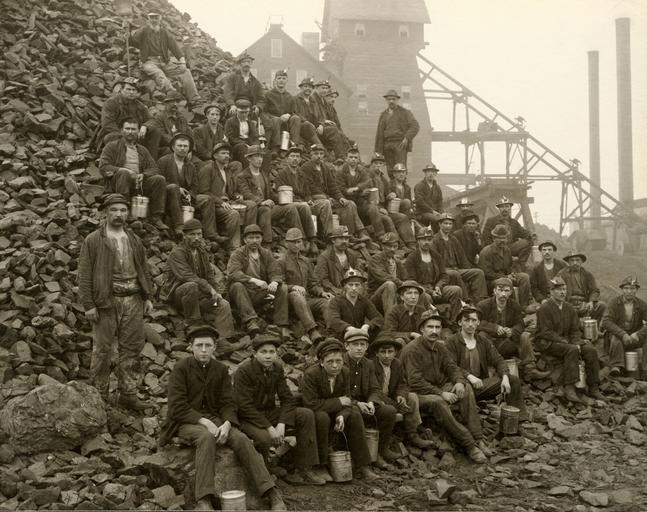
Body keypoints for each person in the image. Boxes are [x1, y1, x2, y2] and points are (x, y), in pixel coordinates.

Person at [158, 325, 285, 511]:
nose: (203, 350)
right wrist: (205, 422)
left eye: (208, 345)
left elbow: (228, 402)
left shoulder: (220, 369)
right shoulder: (181, 368)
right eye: (199, 345)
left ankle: (270, 492)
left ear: (214, 347)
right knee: (206, 437)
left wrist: (227, 423)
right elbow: (177, 406)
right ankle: (204, 499)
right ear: (191, 347)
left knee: (241, 438)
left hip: (216, 419)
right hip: (185, 422)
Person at [78, 194, 155, 410]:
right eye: (114, 210)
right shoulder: (94, 240)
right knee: (102, 350)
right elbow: (84, 275)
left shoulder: (133, 239)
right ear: (105, 212)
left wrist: (147, 296)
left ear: (127, 213)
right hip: (106, 301)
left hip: (133, 299)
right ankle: (99, 396)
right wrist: (89, 305)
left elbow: (143, 269)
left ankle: (128, 394)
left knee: (131, 348)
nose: (118, 214)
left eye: (122, 210)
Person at [233, 334, 327, 485]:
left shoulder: (276, 367)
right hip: (247, 418)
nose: (268, 356)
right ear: (254, 353)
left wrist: (282, 423)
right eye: (263, 352)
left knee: (306, 414)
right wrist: (270, 428)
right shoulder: (244, 371)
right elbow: (244, 407)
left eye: (272, 352)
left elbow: (287, 399)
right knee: (264, 438)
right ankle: (268, 470)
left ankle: (303, 470)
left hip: (269, 413)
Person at [399, 310, 488, 463]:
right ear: (422, 329)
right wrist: (441, 393)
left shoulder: (440, 347)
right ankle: (470, 445)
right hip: (415, 394)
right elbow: (414, 382)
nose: (434, 331)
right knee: (438, 402)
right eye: (430, 327)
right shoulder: (412, 350)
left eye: (437, 327)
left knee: (466, 388)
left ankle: (478, 438)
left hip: (436, 388)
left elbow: (452, 367)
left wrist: (459, 382)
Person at [300, 338, 379, 481]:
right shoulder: (311, 374)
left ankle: (362, 464)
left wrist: (342, 415)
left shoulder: (344, 372)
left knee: (354, 414)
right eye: (330, 361)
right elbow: (311, 403)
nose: (335, 365)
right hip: (316, 413)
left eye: (339, 361)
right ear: (322, 362)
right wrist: (338, 402)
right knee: (322, 417)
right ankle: (321, 465)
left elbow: (347, 401)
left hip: (335, 411)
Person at [446, 306, 527, 420]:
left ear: (478, 322)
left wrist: (505, 376)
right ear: (460, 323)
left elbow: (498, 360)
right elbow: (451, 366)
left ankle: (517, 419)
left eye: (474, 320)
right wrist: (469, 376)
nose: (470, 324)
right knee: (465, 388)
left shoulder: (483, 341)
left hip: (480, 385)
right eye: (466, 320)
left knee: (513, 380)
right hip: (461, 385)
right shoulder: (451, 341)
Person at [160, 219, 235, 338]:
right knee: (191, 285)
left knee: (223, 304)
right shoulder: (177, 253)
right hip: (178, 296)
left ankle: (224, 339)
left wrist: (216, 291)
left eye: (199, 234)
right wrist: (209, 288)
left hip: (199, 295)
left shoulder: (201, 251)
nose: (196, 238)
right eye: (192, 234)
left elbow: (209, 274)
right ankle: (194, 324)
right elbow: (186, 275)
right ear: (184, 235)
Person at [535, 277, 604, 403]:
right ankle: (570, 387)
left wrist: (576, 341)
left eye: (564, 289)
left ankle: (594, 387)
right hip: (548, 343)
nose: (562, 292)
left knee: (590, 350)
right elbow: (545, 332)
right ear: (551, 291)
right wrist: (565, 342)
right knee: (572, 350)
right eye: (558, 290)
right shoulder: (544, 308)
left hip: (566, 341)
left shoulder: (569, 308)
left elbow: (575, 329)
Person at [342, 328, 400, 468]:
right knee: (355, 414)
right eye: (355, 344)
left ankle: (380, 450)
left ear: (367, 346)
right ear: (346, 346)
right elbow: (339, 393)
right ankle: (363, 462)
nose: (359, 348)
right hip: (346, 405)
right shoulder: (340, 363)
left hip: (364, 405)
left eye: (362, 344)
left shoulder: (368, 364)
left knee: (389, 411)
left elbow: (375, 389)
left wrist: (372, 402)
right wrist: (357, 403)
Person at [98, 117, 168, 230]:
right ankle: (126, 211)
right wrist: (123, 170)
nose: (130, 132)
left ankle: (156, 217)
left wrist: (144, 175)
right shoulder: (112, 146)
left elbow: (154, 168)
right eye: (127, 129)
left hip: (138, 184)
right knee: (123, 173)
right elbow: (103, 167)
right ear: (121, 130)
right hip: (118, 183)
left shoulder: (142, 150)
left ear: (138, 131)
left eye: (133, 129)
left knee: (159, 179)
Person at [369, 334, 435, 449]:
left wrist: (401, 396)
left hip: (391, 396)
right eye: (383, 352)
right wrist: (396, 404)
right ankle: (388, 441)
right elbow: (375, 391)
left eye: (390, 352)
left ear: (395, 352)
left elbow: (402, 384)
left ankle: (412, 435)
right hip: (376, 399)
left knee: (412, 397)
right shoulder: (371, 366)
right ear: (376, 353)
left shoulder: (397, 364)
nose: (387, 355)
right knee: (389, 407)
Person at [476, 278, 549, 381]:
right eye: (500, 290)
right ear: (494, 291)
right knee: (482, 335)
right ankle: (488, 367)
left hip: (507, 342)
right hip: (491, 344)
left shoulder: (514, 305)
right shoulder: (483, 305)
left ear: (510, 292)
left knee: (524, 336)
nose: (503, 294)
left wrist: (512, 331)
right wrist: (495, 328)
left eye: (506, 291)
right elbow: (477, 322)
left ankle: (530, 369)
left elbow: (520, 324)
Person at [226, 224, 290, 337]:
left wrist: (274, 282)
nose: (254, 241)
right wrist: (254, 280)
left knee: (282, 288)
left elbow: (275, 271)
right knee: (237, 285)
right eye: (251, 238)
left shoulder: (266, 253)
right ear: (245, 240)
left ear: (261, 239)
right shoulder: (238, 254)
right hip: (243, 293)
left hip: (260, 293)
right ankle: (251, 321)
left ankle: (281, 324)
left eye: (257, 237)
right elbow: (233, 273)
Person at [236, 145, 306, 247]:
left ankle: (297, 238)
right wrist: (261, 201)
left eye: (261, 156)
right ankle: (267, 243)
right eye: (256, 156)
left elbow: (270, 193)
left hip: (268, 207)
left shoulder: (263, 174)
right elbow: (246, 194)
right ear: (249, 158)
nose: (260, 159)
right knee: (265, 209)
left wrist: (285, 199)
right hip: (256, 209)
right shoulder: (242, 176)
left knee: (290, 207)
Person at [129, 12, 201, 105]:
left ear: (160, 18)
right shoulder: (143, 30)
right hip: (149, 61)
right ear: (148, 19)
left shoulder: (164, 32)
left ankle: (194, 99)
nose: (154, 20)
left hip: (165, 62)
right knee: (158, 73)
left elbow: (175, 47)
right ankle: (171, 92)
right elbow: (133, 41)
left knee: (185, 71)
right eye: (152, 17)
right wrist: (128, 34)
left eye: (156, 17)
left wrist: (182, 62)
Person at [158, 133, 219, 238]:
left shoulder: (190, 165)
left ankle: (210, 233)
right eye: (179, 145)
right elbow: (159, 181)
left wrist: (190, 195)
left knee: (207, 199)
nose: (182, 148)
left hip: (186, 198)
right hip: (168, 196)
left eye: (185, 146)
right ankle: (179, 226)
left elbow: (195, 185)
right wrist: (178, 189)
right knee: (173, 187)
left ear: (189, 149)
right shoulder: (163, 161)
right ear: (173, 147)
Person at [300, 144, 366, 238]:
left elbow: (332, 186)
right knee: (326, 203)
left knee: (350, 204)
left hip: (326, 198)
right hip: (313, 199)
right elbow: (309, 187)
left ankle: (352, 234)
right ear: (311, 154)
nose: (319, 156)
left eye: (321, 154)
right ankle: (329, 236)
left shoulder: (325, 167)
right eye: (316, 154)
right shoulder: (306, 168)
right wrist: (327, 197)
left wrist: (340, 197)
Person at [276, 228, 326, 345]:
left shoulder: (306, 261)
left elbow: (313, 283)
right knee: (296, 295)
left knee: (325, 302)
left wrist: (321, 292)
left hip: (306, 300)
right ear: (286, 243)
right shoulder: (281, 261)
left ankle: (332, 330)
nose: (296, 245)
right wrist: (293, 287)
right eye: (293, 242)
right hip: (288, 302)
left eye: (299, 241)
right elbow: (279, 284)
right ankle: (312, 331)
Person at [404, 226, 463, 326]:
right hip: (422, 290)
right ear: (418, 241)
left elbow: (444, 275)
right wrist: (430, 291)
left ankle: (455, 322)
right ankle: (427, 323)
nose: (426, 242)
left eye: (429, 240)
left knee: (456, 290)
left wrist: (438, 287)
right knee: (425, 297)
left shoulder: (436, 256)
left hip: (437, 288)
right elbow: (412, 282)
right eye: (423, 240)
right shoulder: (412, 258)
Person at [275, 145, 328, 248]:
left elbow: (307, 192)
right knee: (304, 206)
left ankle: (324, 236)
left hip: (303, 202)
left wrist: (309, 200)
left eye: (297, 156)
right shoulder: (282, 174)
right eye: (292, 156)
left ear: (300, 159)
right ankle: (309, 239)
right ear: (287, 159)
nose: (295, 159)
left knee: (323, 204)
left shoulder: (302, 174)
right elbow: (281, 193)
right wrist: (299, 200)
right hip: (288, 202)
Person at [337, 148, 395, 240]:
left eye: (355, 157)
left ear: (358, 159)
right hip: (347, 202)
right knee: (352, 205)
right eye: (351, 157)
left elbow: (367, 182)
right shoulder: (341, 171)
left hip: (360, 202)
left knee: (373, 208)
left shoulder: (361, 170)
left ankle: (380, 235)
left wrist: (357, 188)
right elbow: (341, 189)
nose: (353, 159)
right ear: (346, 158)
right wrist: (356, 192)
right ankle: (355, 235)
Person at [195, 142, 243, 251]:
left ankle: (233, 245)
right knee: (233, 214)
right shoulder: (207, 169)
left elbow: (231, 192)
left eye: (228, 153)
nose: (227, 156)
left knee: (240, 210)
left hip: (224, 204)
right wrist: (220, 202)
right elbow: (203, 191)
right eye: (223, 153)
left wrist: (237, 196)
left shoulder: (227, 171)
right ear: (215, 156)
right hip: (211, 206)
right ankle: (233, 247)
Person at [431, 212, 488, 304]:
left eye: (450, 224)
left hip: (456, 269)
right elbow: (434, 262)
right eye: (445, 223)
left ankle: (480, 302)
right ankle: (466, 301)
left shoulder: (453, 239)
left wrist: (469, 270)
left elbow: (462, 258)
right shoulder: (435, 240)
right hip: (444, 272)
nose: (448, 226)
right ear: (440, 224)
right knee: (454, 273)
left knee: (478, 272)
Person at [98, 77, 161, 157]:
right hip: (117, 133)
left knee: (155, 132)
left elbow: (152, 120)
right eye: (128, 89)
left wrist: (145, 126)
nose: (131, 92)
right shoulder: (111, 103)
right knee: (111, 137)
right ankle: (119, 160)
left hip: (134, 134)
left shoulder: (139, 105)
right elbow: (108, 124)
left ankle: (150, 160)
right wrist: (126, 133)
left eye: (134, 90)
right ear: (121, 90)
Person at [264, 69, 321, 151]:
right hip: (273, 121)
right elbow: (264, 112)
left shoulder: (289, 96)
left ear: (286, 81)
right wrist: (277, 118)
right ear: (275, 80)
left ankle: (294, 145)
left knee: (296, 118)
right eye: (279, 78)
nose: (281, 80)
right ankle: (275, 148)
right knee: (276, 120)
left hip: (287, 122)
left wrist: (288, 115)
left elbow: (293, 112)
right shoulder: (268, 95)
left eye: (283, 78)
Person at [602, 276, 647, 377]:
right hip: (618, 337)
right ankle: (617, 367)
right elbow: (606, 321)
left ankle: (645, 370)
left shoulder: (642, 304)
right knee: (615, 337)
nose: (629, 291)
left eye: (632, 288)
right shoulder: (614, 303)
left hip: (634, 338)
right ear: (622, 289)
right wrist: (622, 334)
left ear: (636, 290)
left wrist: (639, 334)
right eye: (626, 288)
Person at [367, 154, 415, 247]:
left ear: (383, 165)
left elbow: (386, 197)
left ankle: (411, 243)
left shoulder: (384, 180)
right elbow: (366, 199)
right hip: (373, 210)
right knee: (388, 219)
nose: (378, 165)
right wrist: (379, 208)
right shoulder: (367, 178)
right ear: (371, 165)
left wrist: (389, 196)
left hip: (385, 209)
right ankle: (399, 244)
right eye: (376, 163)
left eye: (380, 163)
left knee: (403, 217)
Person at [478, 224, 531, 309]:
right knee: (507, 282)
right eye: (499, 238)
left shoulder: (506, 250)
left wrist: (512, 274)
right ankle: (513, 308)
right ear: (494, 238)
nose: (502, 240)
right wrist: (506, 277)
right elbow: (487, 273)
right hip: (491, 281)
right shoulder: (486, 252)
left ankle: (524, 306)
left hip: (506, 276)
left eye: (504, 238)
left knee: (524, 277)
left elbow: (509, 267)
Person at [296, 79, 348, 158]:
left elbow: (317, 116)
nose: (325, 90)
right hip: (304, 127)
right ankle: (335, 156)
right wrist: (317, 124)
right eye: (323, 88)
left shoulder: (313, 100)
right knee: (333, 130)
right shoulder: (299, 99)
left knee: (337, 131)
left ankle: (346, 156)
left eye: (326, 88)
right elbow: (296, 113)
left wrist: (320, 124)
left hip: (315, 126)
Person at [326, 268, 383, 340]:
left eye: (357, 285)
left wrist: (367, 326)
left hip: (359, 335)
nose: (354, 288)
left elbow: (378, 318)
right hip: (340, 336)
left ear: (361, 286)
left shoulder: (364, 301)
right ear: (345, 286)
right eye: (350, 285)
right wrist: (348, 328)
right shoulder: (336, 301)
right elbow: (333, 320)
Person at [374, 89, 420, 172]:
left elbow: (415, 126)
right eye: (389, 99)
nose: (391, 101)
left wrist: (407, 138)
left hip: (400, 144)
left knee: (400, 168)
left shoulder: (405, 113)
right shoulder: (383, 115)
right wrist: (378, 150)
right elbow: (379, 134)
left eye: (393, 99)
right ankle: (392, 181)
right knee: (390, 169)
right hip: (387, 145)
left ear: (397, 100)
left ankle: (402, 180)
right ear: (386, 100)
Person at [481, 196, 533, 267]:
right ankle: (505, 259)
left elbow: (523, 233)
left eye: (506, 206)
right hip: (497, 248)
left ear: (510, 208)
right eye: (502, 207)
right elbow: (485, 237)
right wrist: (493, 249)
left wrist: (531, 235)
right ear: (499, 208)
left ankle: (520, 265)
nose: (504, 209)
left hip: (510, 248)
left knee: (528, 242)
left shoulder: (514, 222)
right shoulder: (491, 221)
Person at [557, 250, 606, 324]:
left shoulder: (587, 274)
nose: (575, 263)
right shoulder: (562, 274)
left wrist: (591, 301)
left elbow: (594, 290)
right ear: (568, 262)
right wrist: (565, 303)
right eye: (572, 260)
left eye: (577, 260)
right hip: (568, 302)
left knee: (601, 305)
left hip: (584, 303)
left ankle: (593, 326)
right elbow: (556, 290)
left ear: (581, 261)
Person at [314, 226, 362, 297]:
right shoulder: (324, 257)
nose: (344, 241)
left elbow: (358, 274)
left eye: (346, 239)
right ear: (333, 240)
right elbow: (323, 280)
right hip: (333, 293)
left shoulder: (352, 255)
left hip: (352, 291)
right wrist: (339, 292)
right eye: (341, 238)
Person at [367, 232, 406, 314]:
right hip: (376, 298)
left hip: (395, 295)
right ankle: (389, 321)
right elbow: (382, 276)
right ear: (383, 246)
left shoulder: (397, 261)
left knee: (418, 290)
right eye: (389, 246)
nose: (392, 249)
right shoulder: (375, 259)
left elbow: (405, 278)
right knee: (389, 284)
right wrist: (400, 283)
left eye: (395, 246)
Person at [149, 90, 190, 157]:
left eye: (182, 106)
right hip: (165, 148)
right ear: (167, 104)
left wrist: (190, 148)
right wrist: (176, 143)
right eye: (180, 106)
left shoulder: (182, 118)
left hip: (181, 146)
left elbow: (188, 133)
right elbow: (162, 135)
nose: (182, 109)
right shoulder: (159, 117)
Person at [223, 99, 261, 166]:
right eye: (241, 112)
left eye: (246, 112)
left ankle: (262, 172)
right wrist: (245, 145)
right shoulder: (230, 122)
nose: (244, 115)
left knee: (265, 152)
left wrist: (255, 145)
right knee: (242, 148)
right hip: (236, 146)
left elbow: (255, 136)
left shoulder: (250, 122)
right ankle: (248, 169)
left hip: (250, 144)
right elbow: (231, 138)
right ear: (236, 111)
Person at [414, 163, 443, 229]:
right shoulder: (419, 186)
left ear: (435, 174)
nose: (431, 174)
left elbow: (440, 201)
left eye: (433, 172)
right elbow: (420, 202)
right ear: (425, 173)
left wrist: (441, 212)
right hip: (422, 213)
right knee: (435, 219)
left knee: (448, 218)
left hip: (435, 213)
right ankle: (436, 235)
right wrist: (432, 211)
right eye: (429, 171)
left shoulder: (437, 187)